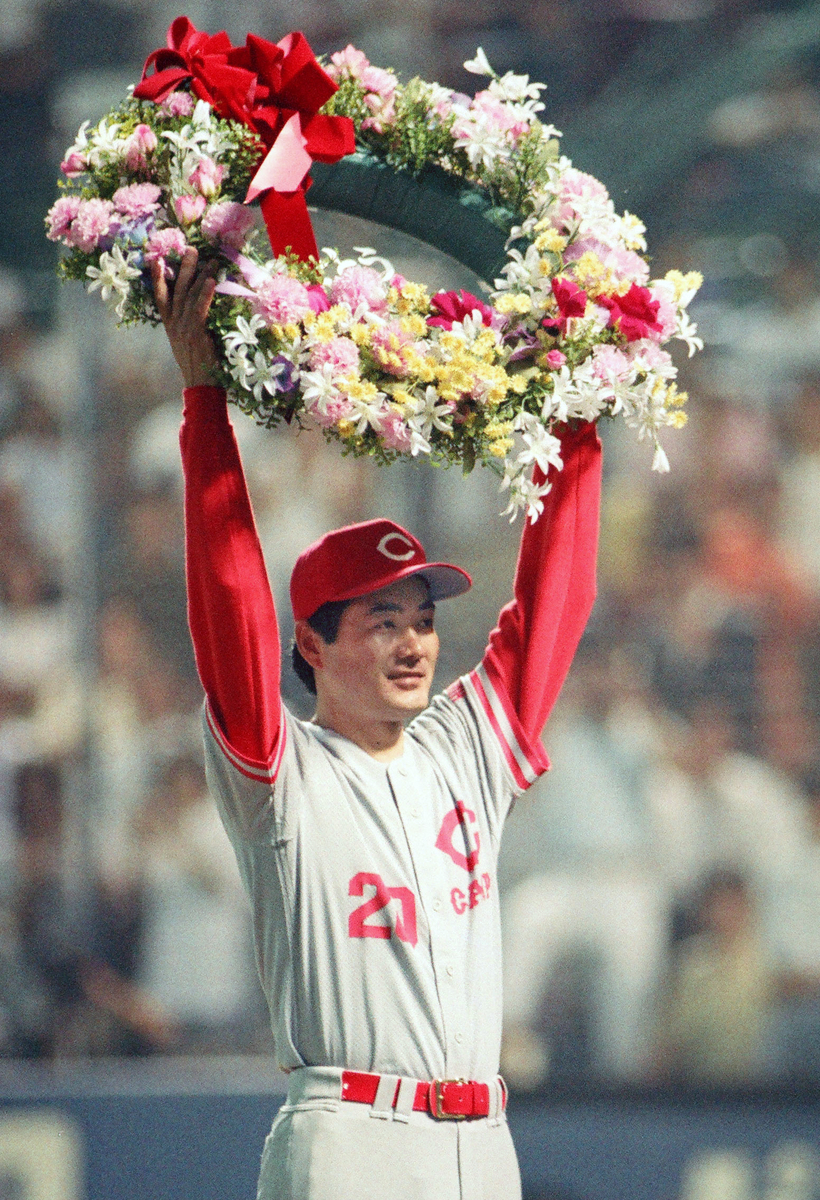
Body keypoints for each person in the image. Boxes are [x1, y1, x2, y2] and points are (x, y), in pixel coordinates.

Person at [152, 248, 602, 1200]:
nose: (414, 645)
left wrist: (583, 409)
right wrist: (204, 409)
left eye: (426, 621)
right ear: (312, 647)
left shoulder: (462, 751)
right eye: (381, 621)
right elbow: (229, 613)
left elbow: (551, 607)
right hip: (349, 1136)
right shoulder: (283, 775)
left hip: (485, 1145)